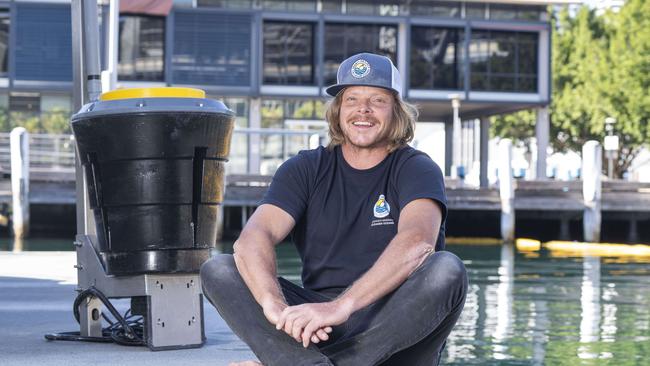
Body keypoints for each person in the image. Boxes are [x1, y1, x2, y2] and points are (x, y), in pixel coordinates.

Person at [201, 52, 467, 366]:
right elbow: (254, 237)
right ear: (338, 110)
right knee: (219, 269)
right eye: (352, 99)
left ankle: (300, 363)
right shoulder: (305, 168)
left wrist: (342, 306)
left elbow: (418, 241)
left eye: (378, 100)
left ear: (397, 111)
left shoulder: (416, 168)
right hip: (318, 325)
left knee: (446, 270)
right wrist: (272, 304)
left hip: (393, 324)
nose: (363, 110)